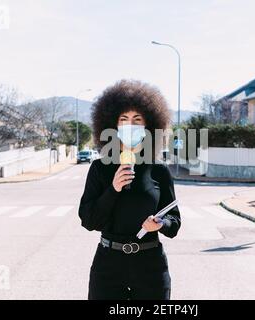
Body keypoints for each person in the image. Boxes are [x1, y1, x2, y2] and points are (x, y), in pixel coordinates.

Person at [78, 79, 181, 300]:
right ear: (113, 126)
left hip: (150, 265)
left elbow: (174, 222)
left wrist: (161, 223)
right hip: (108, 264)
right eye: (124, 119)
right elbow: (89, 221)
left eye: (137, 119)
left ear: (149, 126)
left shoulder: (159, 170)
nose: (130, 125)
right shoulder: (99, 168)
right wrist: (113, 189)